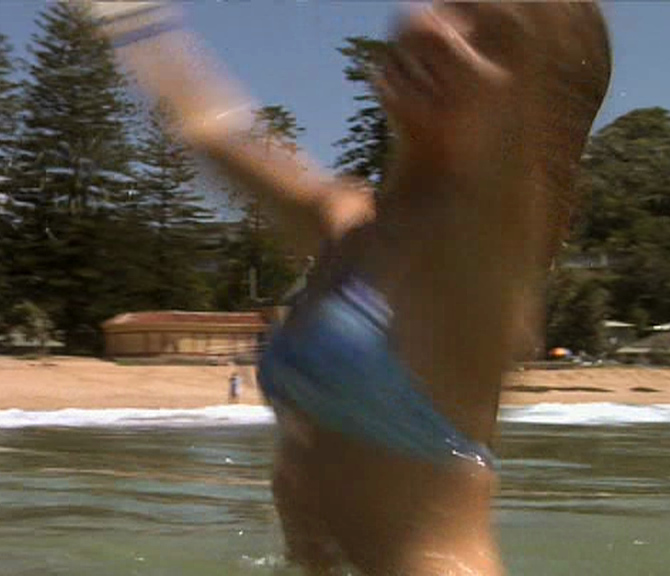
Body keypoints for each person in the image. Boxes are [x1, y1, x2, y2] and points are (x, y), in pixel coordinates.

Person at [91, 2, 611, 574]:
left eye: (494, 42)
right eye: (451, 5)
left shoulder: (481, 258)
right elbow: (208, 127)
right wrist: (128, 13)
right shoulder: (344, 224)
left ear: (533, 107)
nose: (445, 34)